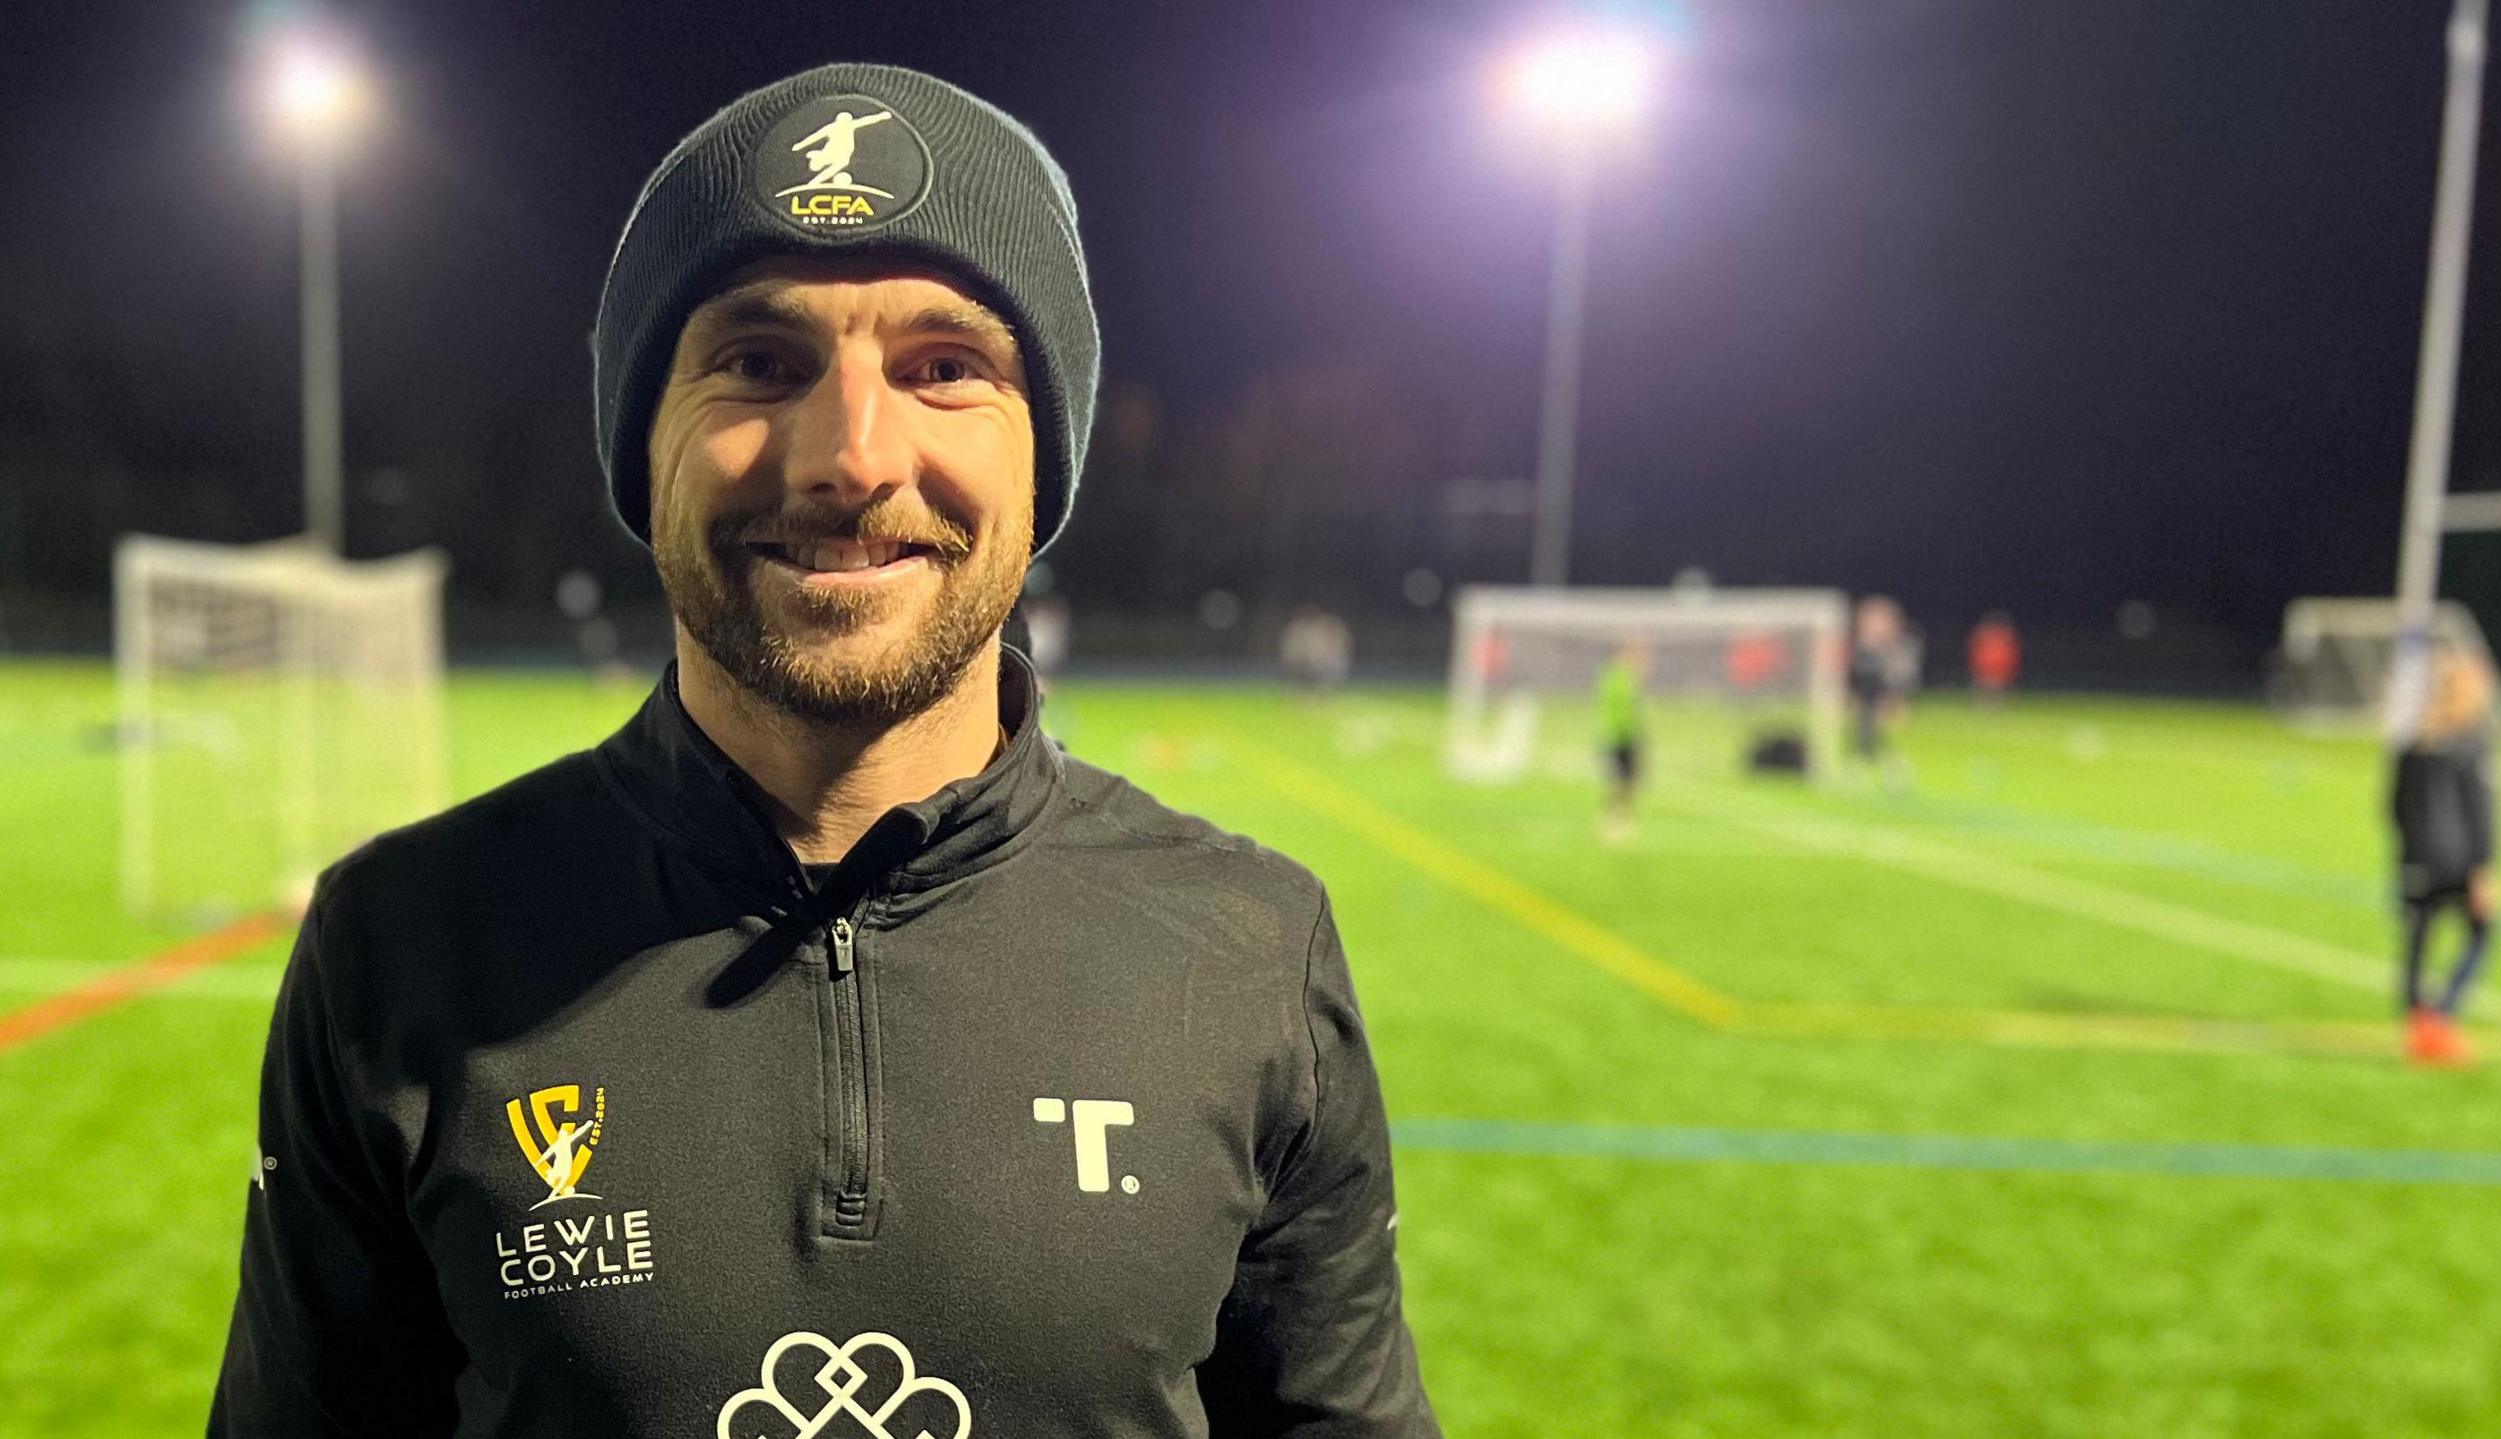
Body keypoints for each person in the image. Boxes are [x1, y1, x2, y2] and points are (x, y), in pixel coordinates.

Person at [211, 63, 1436, 1438]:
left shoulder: (1250, 943)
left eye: (946, 367)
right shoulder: (403, 939)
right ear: (644, 441)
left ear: (1048, 458)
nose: (851, 456)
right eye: (758, 361)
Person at [2390, 645, 2501, 1066]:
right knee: (2481, 932)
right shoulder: (2472, 744)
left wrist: (2409, 846)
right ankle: (2442, 1018)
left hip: (2415, 857)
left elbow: (2392, 805)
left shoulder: (2413, 741)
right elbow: (2481, 810)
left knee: (2417, 940)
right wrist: (2485, 866)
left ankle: (2418, 1026)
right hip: (2457, 860)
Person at [1847, 595, 1918, 786]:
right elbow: (1856, 676)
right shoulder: (1861, 645)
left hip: (1881, 696)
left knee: (1878, 734)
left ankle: (1893, 769)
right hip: (1865, 696)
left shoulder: (1893, 647)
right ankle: (1867, 768)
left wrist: (1894, 698)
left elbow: (1897, 676)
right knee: (1866, 733)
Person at [1596, 636, 1649, 840]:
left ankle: (1621, 816)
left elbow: (1632, 708)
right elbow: (1617, 706)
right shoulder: (1613, 677)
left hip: (1628, 734)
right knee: (1619, 779)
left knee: (1629, 780)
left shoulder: (1627, 677)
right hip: (1615, 735)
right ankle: (1614, 818)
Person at [1967, 611, 2019, 706]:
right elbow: (1976, 650)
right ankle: (1984, 704)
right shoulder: (1984, 636)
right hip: (1986, 666)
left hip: (1998, 667)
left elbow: (2011, 654)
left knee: (1996, 687)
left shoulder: (2005, 637)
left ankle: (1995, 704)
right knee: (1983, 685)